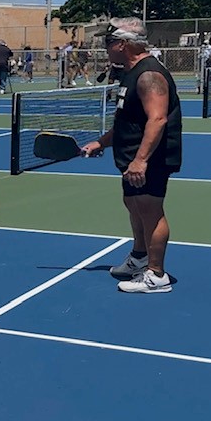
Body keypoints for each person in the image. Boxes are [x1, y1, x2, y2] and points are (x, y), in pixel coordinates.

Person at [81, 17, 183, 294]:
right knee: (134, 205)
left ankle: (156, 275)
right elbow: (129, 121)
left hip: (150, 159)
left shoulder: (149, 74)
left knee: (150, 211)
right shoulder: (131, 72)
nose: (106, 47)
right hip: (131, 158)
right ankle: (139, 258)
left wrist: (141, 160)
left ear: (123, 44)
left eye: (109, 42)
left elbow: (158, 119)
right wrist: (102, 142)